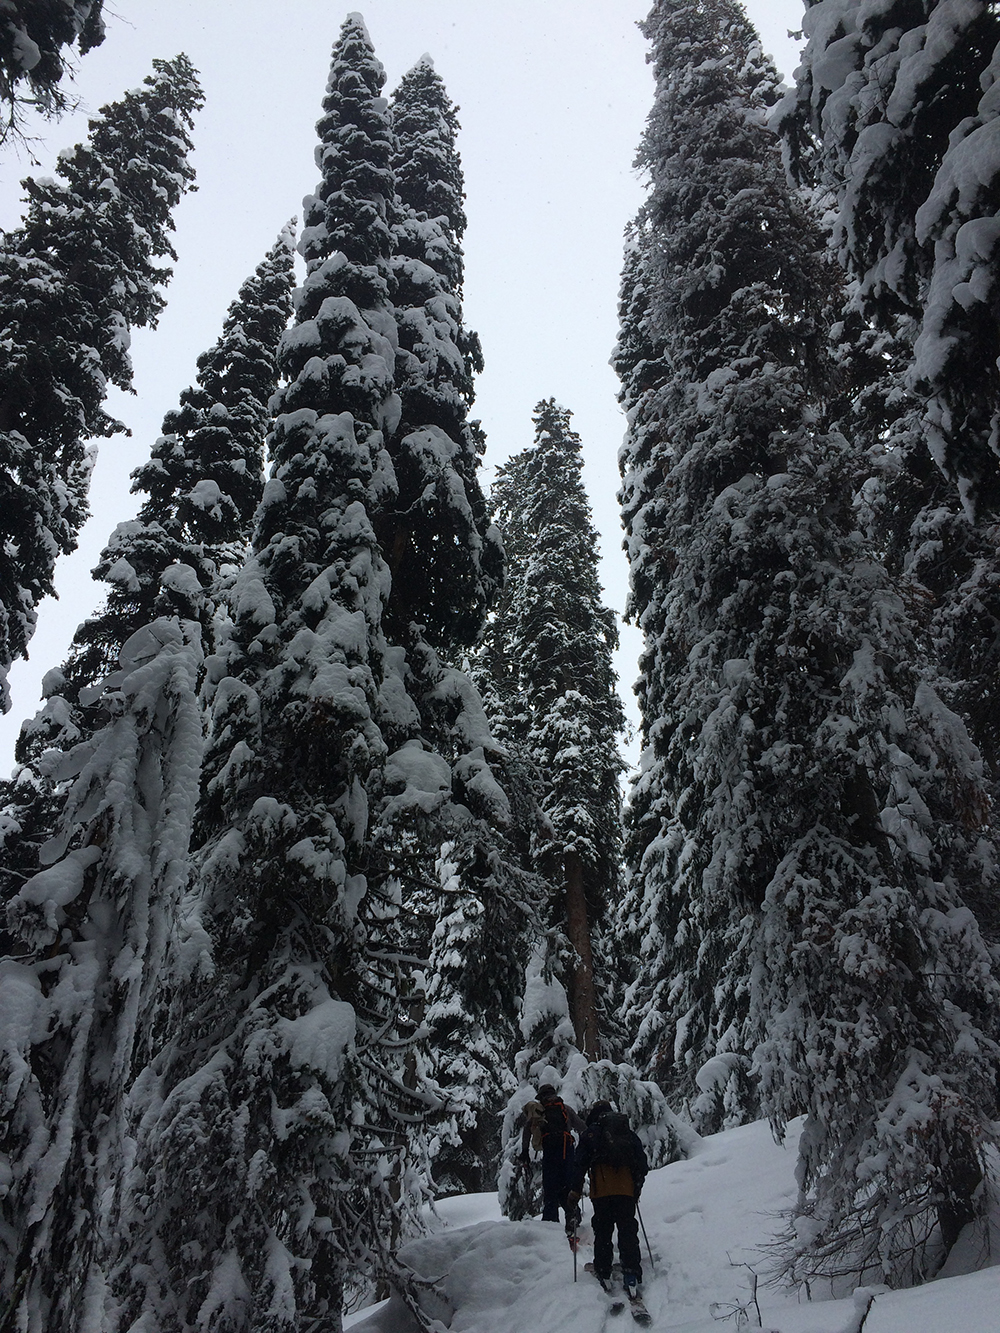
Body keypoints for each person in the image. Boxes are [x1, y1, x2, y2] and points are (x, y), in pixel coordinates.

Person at [569, 1100, 648, 1301]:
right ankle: (631, 1273)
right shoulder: (626, 1133)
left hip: (602, 1190)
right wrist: (636, 1187)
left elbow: (579, 1165)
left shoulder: (591, 1134)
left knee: (603, 1230)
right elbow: (642, 1163)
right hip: (626, 1190)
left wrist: (575, 1192)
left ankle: (603, 1272)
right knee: (627, 1228)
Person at [518, 1083, 586, 1233]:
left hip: (550, 1153)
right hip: (567, 1151)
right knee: (567, 1186)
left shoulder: (540, 1110)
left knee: (550, 1189)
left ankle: (550, 1225)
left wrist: (525, 1151)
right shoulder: (565, 1109)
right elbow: (582, 1127)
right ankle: (573, 1217)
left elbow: (527, 1130)